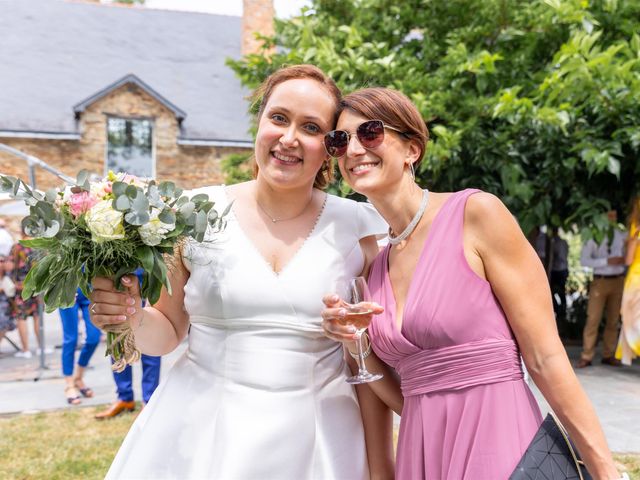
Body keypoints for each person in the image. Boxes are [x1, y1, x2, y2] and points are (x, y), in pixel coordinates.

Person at [89, 65, 392, 479]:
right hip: (202, 432)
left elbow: (368, 360)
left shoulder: (357, 228)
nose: (288, 139)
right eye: (279, 118)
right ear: (260, 121)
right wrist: (131, 317)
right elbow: (168, 332)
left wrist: (381, 469)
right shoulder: (194, 213)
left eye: (311, 127)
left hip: (322, 438)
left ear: (331, 146)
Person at [321, 87, 621, 479]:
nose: (355, 150)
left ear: (412, 149)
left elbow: (546, 358)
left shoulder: (477, 214)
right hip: (423, 451)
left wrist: (603, 469)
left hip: (498, 444)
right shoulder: (375, 268)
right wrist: (356, 345)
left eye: (371, 133)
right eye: (340, 141)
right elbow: (411, 397)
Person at [95, 269, 161, 419]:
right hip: (115, 284)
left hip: (147, 283)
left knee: (151, 344)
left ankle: (149, 400)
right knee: (118, 341)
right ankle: (125, 398)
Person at [576, 210, 626, 368]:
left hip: (618, 281)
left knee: (613, 320)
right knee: (593, 319)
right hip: (600, 281)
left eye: (614, 215)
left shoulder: (621, 234)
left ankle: (608, 354)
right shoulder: (592, 235)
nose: (612, 218)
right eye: (608, 215)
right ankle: (587, 355)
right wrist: (607, 261)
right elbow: (584, 260)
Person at [59, 288, 100, 405]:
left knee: (94, 338)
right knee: (70, 339)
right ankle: (69, 384)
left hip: (88, 288)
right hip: (65, 288)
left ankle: (78, 377)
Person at [9, 236, 45, 359]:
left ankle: (26, 350)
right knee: (37, 316)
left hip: (21, 288)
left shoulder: (18, 246)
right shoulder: (39, 245)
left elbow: (10, 267)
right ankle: (41, 348)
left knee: (21, 318)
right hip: (37, 287)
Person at [617, 196, 640, 364]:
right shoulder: (635, 228)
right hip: (636, 280)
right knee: (633, 321)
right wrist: (634, 240)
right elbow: (628, 260)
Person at [550, 227, 569, 320]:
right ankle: (559, 310)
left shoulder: (559, 243)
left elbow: (561, 257)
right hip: (558, 270)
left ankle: (562, 312)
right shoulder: (554, 242)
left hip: (560, 270)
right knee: (553, 292)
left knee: (561, 292)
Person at [0, 255, 16, 347]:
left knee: (5, 321)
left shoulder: (8, 275)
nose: (1, 264)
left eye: (2, 261)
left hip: (6, 304)